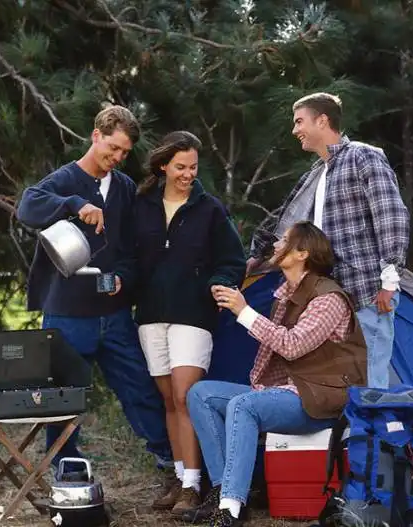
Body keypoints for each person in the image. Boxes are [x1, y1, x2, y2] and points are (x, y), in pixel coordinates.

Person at [15, 105, 171, 471]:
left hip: (114, 314)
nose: (116, 157)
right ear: (96, 135)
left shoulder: (125, 188)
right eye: (112, 148)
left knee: (140, 388)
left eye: (124, 153)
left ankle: (171, 462)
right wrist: (74, 205)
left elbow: (132, 251)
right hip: (67, 314)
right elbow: (27, 206)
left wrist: (123, 278)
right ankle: (65, 468)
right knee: (62, 396)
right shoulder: (65, 180)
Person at [186, 221, 367, 526]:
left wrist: (243, 311)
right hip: (291, 392)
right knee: (200, 394)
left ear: (302, 253)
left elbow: (292, 345)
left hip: (322, 399)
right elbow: (270, 353)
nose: (277, 245)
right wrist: (260, 387)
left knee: (244, 406)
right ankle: (222, 491)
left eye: (285, 240)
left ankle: (229, 510)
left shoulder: (328, 298)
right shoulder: (286, 294)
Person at [248, 92, 410, 390]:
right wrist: (255, 258)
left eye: (299, 121)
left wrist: (389, 280)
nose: (294, 130)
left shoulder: (363, 156)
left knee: (369, 380)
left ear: (322, 120)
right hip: (331, 299)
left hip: (366, 292)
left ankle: (371, 438)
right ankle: (344, 439)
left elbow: (390, 214)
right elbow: (288, 225)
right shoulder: (317, 174)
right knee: (341, 384)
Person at [133, 131, 246, 515]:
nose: (187, 174)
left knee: (186, 396)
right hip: (150, 315)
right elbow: (128, 257)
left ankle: (193, 486)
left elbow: (233, 260)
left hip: (194, 314)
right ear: (163, 165)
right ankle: (181, 477)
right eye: (180, 167)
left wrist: (217, 283)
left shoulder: (210, 209)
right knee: (167, 399)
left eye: (193, 167)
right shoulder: (141, 205)